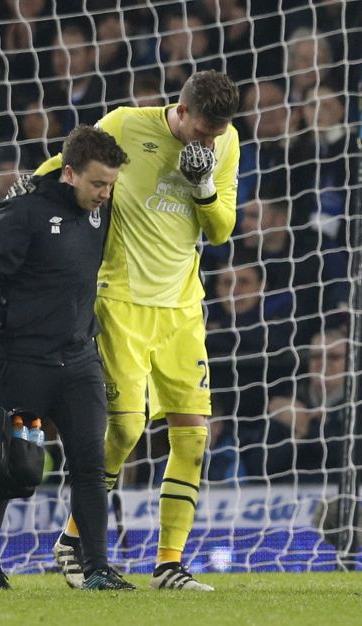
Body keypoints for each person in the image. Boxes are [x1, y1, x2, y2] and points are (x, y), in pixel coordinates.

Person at [34, 69, 240, 591]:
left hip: (182, 309)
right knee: (125, 429)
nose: (209, 141)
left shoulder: (225, 143)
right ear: (183, 110)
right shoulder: (126, 125)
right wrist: (28, 197)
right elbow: (67, 168)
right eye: (202, 131)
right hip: (121, 302)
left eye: (218, 133)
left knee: (193, 437)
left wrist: (204, 186)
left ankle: (169, 564)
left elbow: (219, 232)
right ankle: (74, 538)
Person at [0, 126, 133, 591]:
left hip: (77, 362)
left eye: (110, 184)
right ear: (69, 173)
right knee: (14, 468)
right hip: (24, 365)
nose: (105, 193)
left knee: (90, 465)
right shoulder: (24, 211)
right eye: (97, 183)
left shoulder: (101, 208)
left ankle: (96, 568)